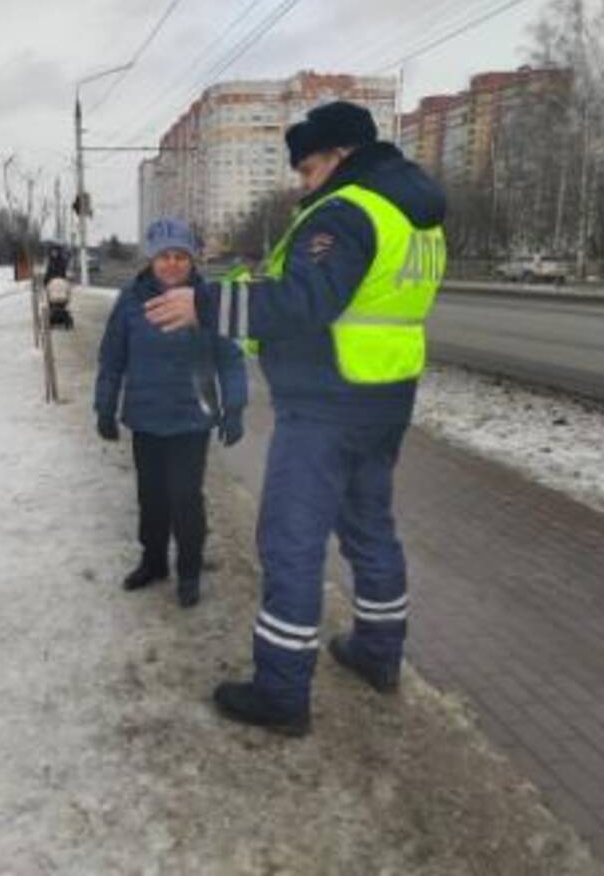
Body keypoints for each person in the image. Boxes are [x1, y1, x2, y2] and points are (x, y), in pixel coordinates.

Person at [145, 101, 447, 735]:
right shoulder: (417, 218)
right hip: (385, 398)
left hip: (325, 407)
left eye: (309, 169)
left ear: (341, 155)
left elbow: (303, 301)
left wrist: (204, 302)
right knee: (370, 527)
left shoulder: (347, 210)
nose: (304, 183)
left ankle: (281, 693)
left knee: (290, 544)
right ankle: (379, 653)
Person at [95, 217, 248, 608]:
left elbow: (230, 358)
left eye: (181, 256)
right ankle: (154, 561)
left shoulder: (209, 301)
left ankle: (190, 571)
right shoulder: (131, 299)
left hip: (190, 417)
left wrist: (234, 408)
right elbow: (112, 358)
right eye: (165, 256)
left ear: (192, 260)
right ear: (151, 259)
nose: (173, 264)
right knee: (151, 497)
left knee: (185, 497)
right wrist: (105, 407)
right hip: (145, 416)